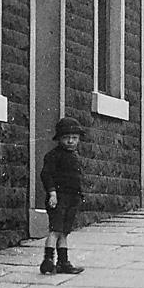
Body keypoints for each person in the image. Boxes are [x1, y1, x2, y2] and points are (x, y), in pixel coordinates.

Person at [39, 116, 87, 274]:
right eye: (66, 138)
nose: (70, 141)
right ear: (59, 139)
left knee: (65, 232)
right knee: (55, 230)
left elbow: (77, 178)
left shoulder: (74, 156)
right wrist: (52, 193)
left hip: (72, 198)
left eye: (74, 138)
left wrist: (80, 195)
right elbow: (46, 175)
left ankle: (63, 262)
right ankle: (48, 260)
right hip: (58, 198)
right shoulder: (53, 156)